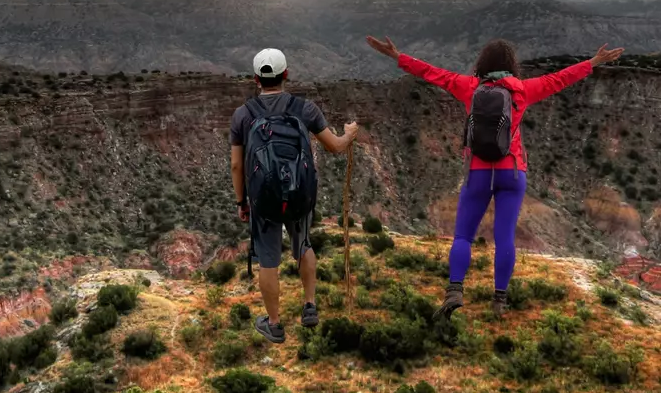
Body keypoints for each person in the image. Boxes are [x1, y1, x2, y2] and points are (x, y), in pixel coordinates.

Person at [365, 36, 624, 317]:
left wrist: (397, 55)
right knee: (505, 238)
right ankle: (499, 300)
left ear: (482, 63)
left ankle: (454, 290)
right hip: (511, 172)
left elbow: (431, 72)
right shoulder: (522, 90)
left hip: (477, 171)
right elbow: (559, 79)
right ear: (511, 65)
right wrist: (594, 62)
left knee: (463, 236)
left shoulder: (469, 87)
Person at [230, 48, 359, 343]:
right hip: (299, 196)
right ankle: (309, 305)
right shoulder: (305, 109)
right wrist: (350, 132)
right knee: (303, 245)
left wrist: (242, 202)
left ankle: (274, 324)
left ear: (255, 79)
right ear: (286, 74)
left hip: (263, 200)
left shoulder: (243, 115)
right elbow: (336, 146)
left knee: (267, 260)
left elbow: (237, 164)